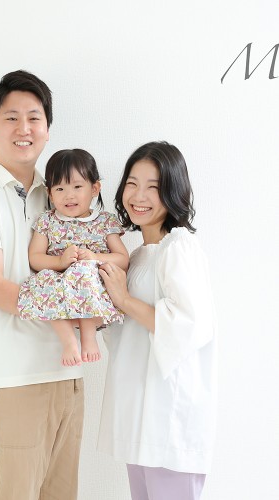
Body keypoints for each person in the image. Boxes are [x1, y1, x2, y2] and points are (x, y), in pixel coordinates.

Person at [0, 70, 84, 500]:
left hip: (68, 374)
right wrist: (66, 306)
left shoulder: (60, 195)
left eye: (34, 118)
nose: (24, 128)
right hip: (12, 381)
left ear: (47, 129)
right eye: (11, 118)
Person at [97, 141, 218, 500]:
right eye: (132, 183)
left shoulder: (179, 248)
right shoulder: (137, 256)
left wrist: (124, 300)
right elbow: (125, 333)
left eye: (153, 186)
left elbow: (189, 325)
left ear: (173, 192)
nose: (139, 196)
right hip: (141, 415)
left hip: (170, 419)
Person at [18, 148, 129, 366]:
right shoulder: (47, 221)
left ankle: (88, 337)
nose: (69, 195)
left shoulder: (104, 221)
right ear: (50, 193)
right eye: (60, 188)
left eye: (77, 187)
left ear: (94, 188)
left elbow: (122, 259)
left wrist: (94, 257)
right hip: (59, 283)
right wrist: (59, 262)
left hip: (92, 284)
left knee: (83, 270)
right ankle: (68, 341)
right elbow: (35, 258)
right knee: (45, 280)